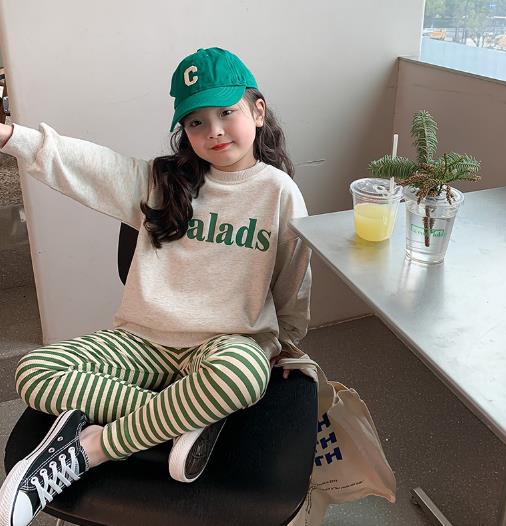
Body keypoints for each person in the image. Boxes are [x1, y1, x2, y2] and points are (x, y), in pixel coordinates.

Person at [0, 47, 312, 526]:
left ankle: (91, 448)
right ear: (184, 131)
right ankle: (188, 418)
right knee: (35, 371)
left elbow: (294, 276)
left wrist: (288, 343)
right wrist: (10, 136)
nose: (214, 131)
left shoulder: (278, 192)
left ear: (257, 110)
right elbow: (84, 163)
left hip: (222, 346)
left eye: (226, 113)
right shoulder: (161, 181)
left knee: (243, 373)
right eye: (196, 122)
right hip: (142, 343)